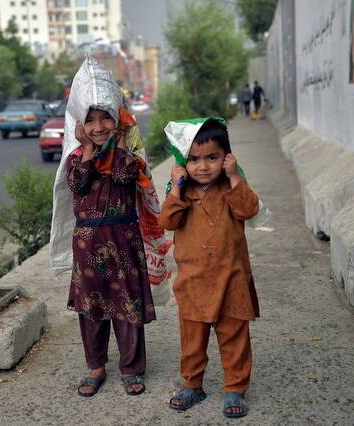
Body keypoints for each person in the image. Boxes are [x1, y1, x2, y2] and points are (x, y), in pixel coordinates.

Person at [49, 57, 168, 398]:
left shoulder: (128, 159)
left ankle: (131, 368)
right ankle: (95, 367)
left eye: (106, 119)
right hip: (88, 247)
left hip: (123, 242)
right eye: (91, 121)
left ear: (117, 122)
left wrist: (111, 146)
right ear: (79, 125)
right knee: (92, 308)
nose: (99, 126)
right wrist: (86, 148)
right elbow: (79, 184)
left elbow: (120, 176)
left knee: (127, 307)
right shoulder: (76, 161)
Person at [159, 117, 260, 418]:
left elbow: (249, 209)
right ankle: (192, 385)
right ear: (182, 162)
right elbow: (167, 222)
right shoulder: (182, 193)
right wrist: (176, 189)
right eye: (193, 159)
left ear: (226, 158)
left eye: (212, 158)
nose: (203, 166)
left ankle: (235, 389)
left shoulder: (231, 188)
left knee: (234, 339)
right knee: (192, 340)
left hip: (231, 280)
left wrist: (235, 178)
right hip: (192, 282)